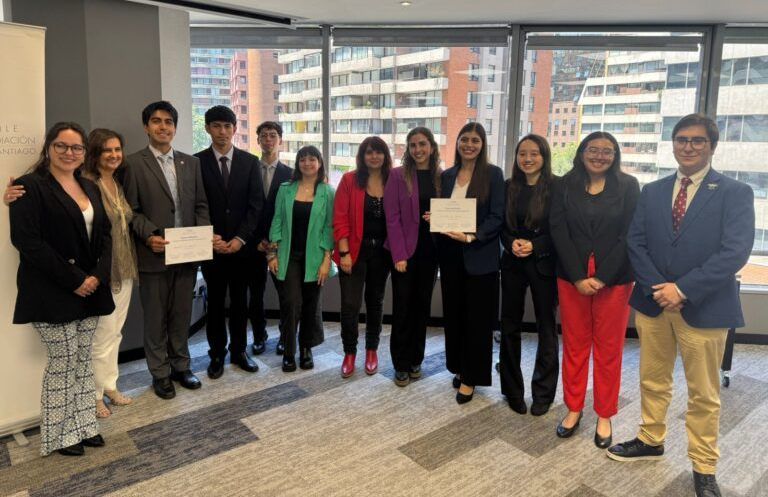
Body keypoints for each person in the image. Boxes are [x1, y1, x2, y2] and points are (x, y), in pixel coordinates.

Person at [608, 114, 754, 497]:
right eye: (681, 139)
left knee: (703, 393)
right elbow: (636, 242)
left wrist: (683, 289)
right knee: (652, 378)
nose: (688, 146)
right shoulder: (653, 191)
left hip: (704, 308)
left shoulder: (734, 192)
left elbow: (735, 252)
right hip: (654, 303)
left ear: (711, 146)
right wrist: (660, 288)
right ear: (672, 144)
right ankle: (650, 438)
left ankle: (704, 466)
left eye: (697, 140)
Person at [4, 128, 139, 419]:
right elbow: (30, 236)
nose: (113, 155)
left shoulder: (113, 182)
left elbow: (113, 229)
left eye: (117, 150)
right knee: (93, 343)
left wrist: (98, 273)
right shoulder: (76, 183)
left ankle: (108, 386)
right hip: (84, 276)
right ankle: (93, 397)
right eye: (107, 150)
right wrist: (80, 278)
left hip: (118, 267)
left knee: (113, 333)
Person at [549, 131, 639, 448]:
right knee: (575, 346)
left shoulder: (628, 186)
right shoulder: (564, 184)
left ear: (615, 156)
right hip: (571, 277)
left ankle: (604, 413)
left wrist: (601, 277)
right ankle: (574, 408)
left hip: (614, 278)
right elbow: (558, 230)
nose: (599, 156)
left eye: (607, 151)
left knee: (608, 348)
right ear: (582, 152)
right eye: (593, 149)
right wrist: (577, 276)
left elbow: (629, 234)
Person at [122, 100, 212, 400]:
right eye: (157, 121)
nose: (163, 127)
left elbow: (200, 205)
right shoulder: (133, 164)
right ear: (146, 127)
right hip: (154, 254)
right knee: (155, 318)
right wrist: (149, 236)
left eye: (169, 122)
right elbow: (130, 210)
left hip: (186, 255)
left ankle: (181, 366)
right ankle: (160, 373)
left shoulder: (191, 163)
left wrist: (200, 238)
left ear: (175, 127)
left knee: (181, 315)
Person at [436, 122, 505, 404]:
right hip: (451, 258)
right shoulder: (448, 175)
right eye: (465, 139)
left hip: (480, 256)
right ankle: (459, 366)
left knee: (477, 321)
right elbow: (448, 211)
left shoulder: (493, 174)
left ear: (482, 144)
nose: (469, 145)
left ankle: (471, 377)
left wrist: (472, 236)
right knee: (454, 317)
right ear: (457, 142)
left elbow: (497, 216)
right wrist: (436, 218)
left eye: (475, 140)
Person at [195, 106, 264, 378]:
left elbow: (256, 206)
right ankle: (216, 354)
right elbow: (194, 204)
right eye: (216, 126)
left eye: (227, 126)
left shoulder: (250, 162)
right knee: (214, 304)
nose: (222, 132)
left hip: (241, 249)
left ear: (235, 129)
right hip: (210, 247)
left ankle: (239, 351)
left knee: (239, 303)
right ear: (207, 129)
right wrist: (208, 236)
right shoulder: (196, 162)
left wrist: (239, 239)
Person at [498, 134, 558, 416]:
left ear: (544, 156)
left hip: (543, 263)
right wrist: (510, 242)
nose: (527, 158)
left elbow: (561, 228)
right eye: (522, 153)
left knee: (546, 327)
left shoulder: (557, 187)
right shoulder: (508, 186)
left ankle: (543, 393)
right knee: (509, 326)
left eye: (534, 153)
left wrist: (536, 245)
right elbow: (501, 225)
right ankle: (512, 390)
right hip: (512, 262)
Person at [268, 145, 334, 372]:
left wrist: (326, 259)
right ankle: (289, 351)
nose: (307, 163)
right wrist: (272, 253)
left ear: (319, 163)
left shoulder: (327, 191)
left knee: (311, 304)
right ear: (297, 163)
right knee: (291, 303)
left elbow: (329, 227)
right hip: (289, 256)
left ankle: (306, 348)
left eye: (312, 159)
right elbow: (277, 221)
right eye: (303, 159)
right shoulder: (285, 189)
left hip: (315, 258)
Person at [383, 127, 441, 387]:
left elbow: (448, 212)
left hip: (431, 251)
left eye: (422, 144)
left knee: (422, 307)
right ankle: (400, 363)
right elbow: (392, 217)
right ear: (408, 149)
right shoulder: (397, 175)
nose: (418, 149)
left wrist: (438, 217)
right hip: (404, 252)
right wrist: (398, 254)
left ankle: (416, 359)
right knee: (403, 308)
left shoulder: (441, 176)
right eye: (413, 145)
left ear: (432, 147)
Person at [333, 136, 393, 377]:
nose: (374, 156)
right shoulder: (349, 180)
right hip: (354, 252)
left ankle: (371, 350)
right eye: (369, 152)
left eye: (379, 152)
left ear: (385, 156)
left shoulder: (393, 181)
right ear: (362, 156)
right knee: (350, 305)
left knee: (375, 302)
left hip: (383, 253)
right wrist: (344, 253)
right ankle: (349, 352)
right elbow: (340, 219)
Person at [250, 121, 293, 356]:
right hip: (254, 243)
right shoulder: (248, 170)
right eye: (264, 135)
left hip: (280, 244)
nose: (268, 140)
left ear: (280, 140)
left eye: (273, 135)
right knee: (255, 294)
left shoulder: (291, 174)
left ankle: (286, 336)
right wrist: (257, 239)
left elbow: (290, 213)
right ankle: (259, 335)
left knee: (285, 293)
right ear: (258, 140)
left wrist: (275, 241)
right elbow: (245, 208)